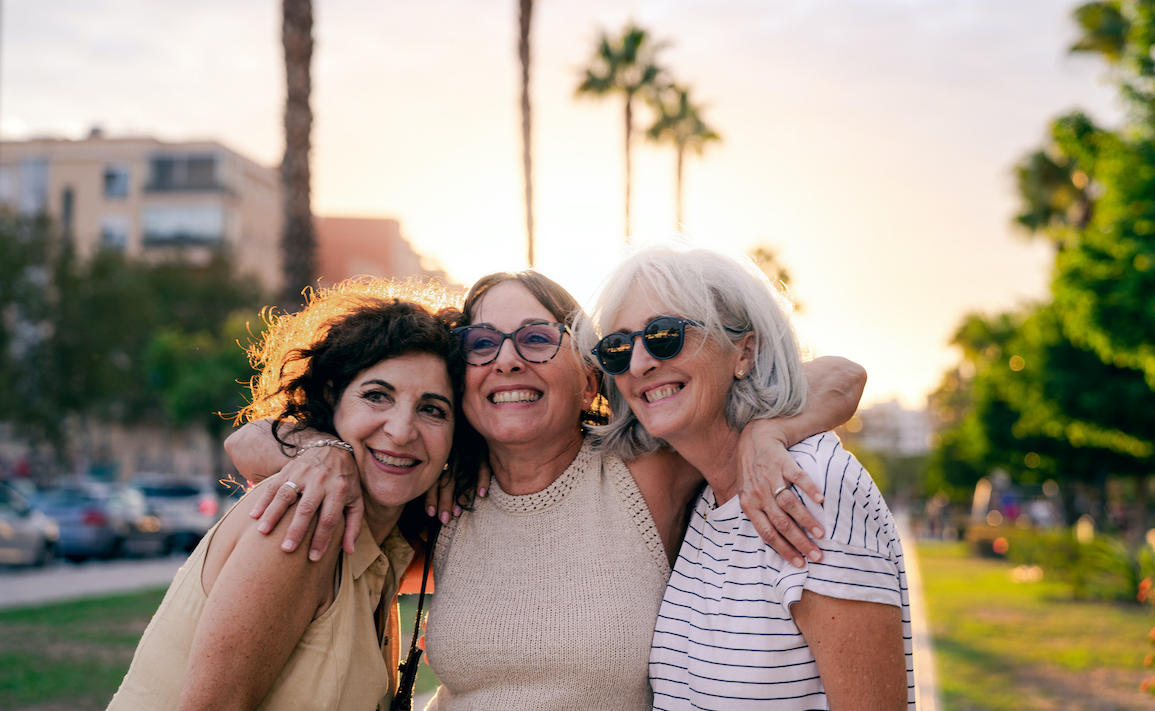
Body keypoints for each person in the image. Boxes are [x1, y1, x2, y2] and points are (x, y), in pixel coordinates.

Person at [227, 270, 866, 711]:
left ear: (591, 373)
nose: (507, 360)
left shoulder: (649, 470)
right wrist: (328, 453)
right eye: (480, 344)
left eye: (536, 338)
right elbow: (247, 442)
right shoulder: (440, 491)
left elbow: (842, 374)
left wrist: (766, 432)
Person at [108, 281, 480, 711]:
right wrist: (323, 448)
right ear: (331, 398)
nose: (401, 430)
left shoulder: (386, 549)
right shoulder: (303, 517)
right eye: (377, 396)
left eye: (433, 409)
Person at [585, 245, 913, 710]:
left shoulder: (808, 486)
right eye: (617, 348)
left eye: (665, 335)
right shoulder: (703, 501)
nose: (639, 364)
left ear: (745, 349)